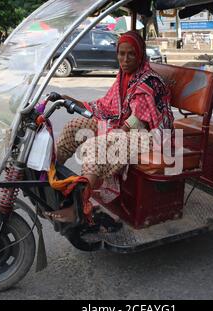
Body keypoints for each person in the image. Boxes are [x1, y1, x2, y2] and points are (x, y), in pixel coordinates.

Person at [47, 31, 174, 223]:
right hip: (123, 128)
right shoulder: (124, 76)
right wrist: (76, 103)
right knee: (75, 126)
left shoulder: (149, 81)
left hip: (151, 136)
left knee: (96, 147)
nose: (125, 59)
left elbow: (138, 120)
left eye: (131, 54)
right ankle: (51, 176)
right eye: (121, 54)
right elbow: (108, 106)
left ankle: (78, 208)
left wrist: (113, 134)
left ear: (140, 55)